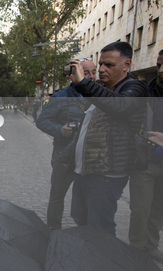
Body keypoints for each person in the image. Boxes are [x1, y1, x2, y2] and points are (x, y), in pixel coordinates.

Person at [67, 42, 147, 236]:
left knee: (99, 225)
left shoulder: (134, 88)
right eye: (101, 64)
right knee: (80, 217)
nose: (102, 69)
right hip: (85, 170)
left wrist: (84, 84)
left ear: (126, 65)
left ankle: (102, 263)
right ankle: (89, 258)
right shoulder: (100, 92)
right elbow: (85, 130)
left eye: (109, 65)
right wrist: (66, 155)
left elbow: (118, 106)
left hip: (106, 173)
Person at [128, 44, 163, 265]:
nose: (161, 70)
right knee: (140, 209)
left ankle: (152, 246)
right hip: (145, 162)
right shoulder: (145, 91)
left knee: (160, 210)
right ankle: (136, 250)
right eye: (159, 65)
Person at [36, 58, 97, 230]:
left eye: (94, 72)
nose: (91, 77)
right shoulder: (60, 97)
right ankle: (53, 230)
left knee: (90, 198)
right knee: (57, 195)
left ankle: (88, 232)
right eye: (86, 73)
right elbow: (42, 121)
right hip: (64, 154)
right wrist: (59, 129)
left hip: (91, 156)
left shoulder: (102, 96)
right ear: (73, 75)